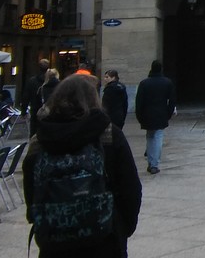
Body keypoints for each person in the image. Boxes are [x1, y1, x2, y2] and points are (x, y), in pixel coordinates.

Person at [23, 74, 142, 257]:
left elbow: (31, 194)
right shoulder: (109, 134)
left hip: (54, 241)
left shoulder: (38, 141)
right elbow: (131, 188)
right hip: (104, 239)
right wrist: (121, 227)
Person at [135, 60, 176, 175]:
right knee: (158, 137)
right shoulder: (167, 82)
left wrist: (139, 116)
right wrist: (168, 113)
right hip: (161, 113)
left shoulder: (144, 83)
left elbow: (139, 102)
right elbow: (172, 100)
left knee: (149, 136)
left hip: (147, 114)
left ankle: (150, 162)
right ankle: (154, 164)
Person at [22, 58, 51, 133]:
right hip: (50, 111)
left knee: (35, 131)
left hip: (35, 110)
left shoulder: (32, 81)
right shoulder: (53, 81)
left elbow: (26, 96)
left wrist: (24, 111)